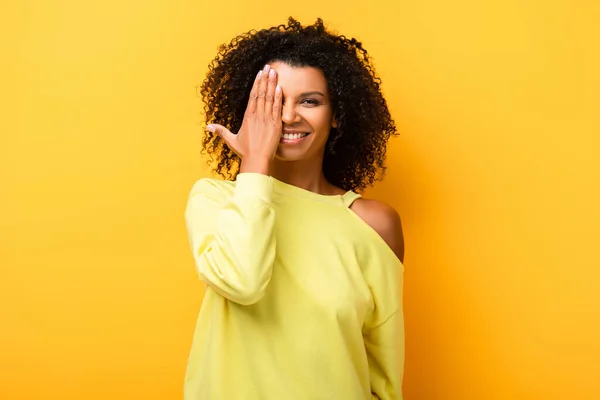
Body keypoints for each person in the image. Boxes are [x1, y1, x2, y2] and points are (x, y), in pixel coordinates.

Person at [184, 17, 405, 400]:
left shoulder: (374, 225)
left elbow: (383, 369)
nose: (287, 117)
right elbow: (243, 281)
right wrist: (256, 162)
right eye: (272, 101)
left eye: (310, 101)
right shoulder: (215, 201)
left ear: (337, 115)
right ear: (248, 110)